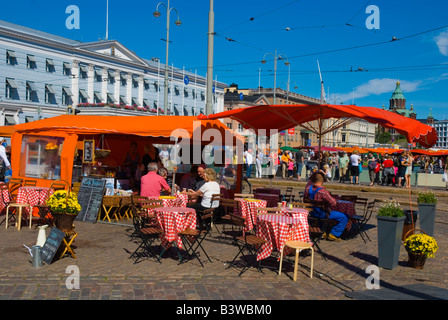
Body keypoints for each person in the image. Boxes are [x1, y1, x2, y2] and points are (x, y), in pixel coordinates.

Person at [303, 171, 349, 242]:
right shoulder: (323, 192)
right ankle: (334, 233)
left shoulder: (307, 189)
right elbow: (333, 203)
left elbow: (305, 200)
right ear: (322, 180)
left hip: (311, 213)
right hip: (323, 214)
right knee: (344, 217)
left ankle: (323, 230)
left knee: (323, 214)